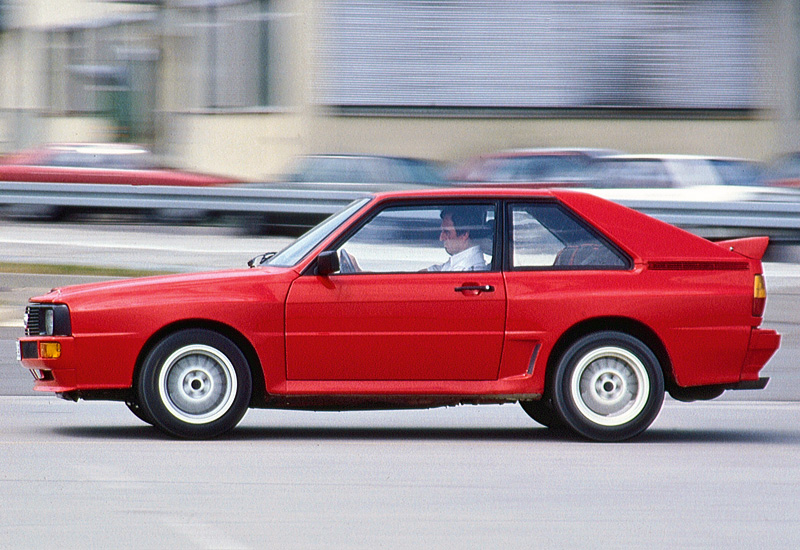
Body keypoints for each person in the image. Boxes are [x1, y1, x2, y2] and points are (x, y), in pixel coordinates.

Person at [427, 206, 488, 272]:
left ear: (464, 234)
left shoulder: (467, 269)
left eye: (447, 232)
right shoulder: (460, 260)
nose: (441, 238)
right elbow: (437, 270)